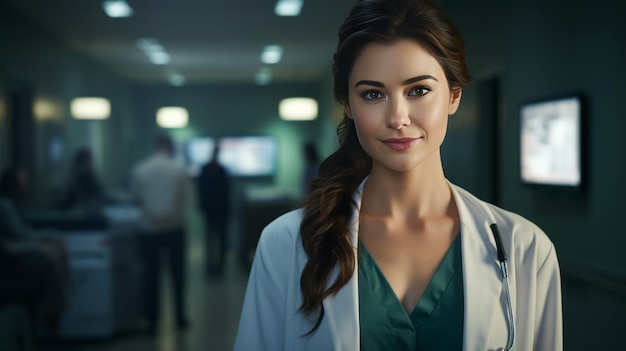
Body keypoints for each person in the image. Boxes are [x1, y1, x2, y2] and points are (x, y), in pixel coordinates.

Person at [234, 0, 563, 350]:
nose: (398, 117)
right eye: (373, 94)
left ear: (453, 96)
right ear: (348, 104)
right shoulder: (286, 245)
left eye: (418, 90)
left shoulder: (524, 248)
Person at [0, 166, 71, 341]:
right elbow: (21, 237)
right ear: (13, 184)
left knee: (54, 255)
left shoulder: (12, 204)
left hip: (18, 253)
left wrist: (51, 237)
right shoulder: (5, 205)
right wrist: (42, 245)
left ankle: (52, 315)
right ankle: (50, 317)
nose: (27, 186)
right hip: (12, 261)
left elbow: (25, 233)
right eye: (22, 181)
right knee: (50, 260)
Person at [131, 135, 192, 333]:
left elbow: (135, 199)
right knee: (178, 275)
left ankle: (152, 321)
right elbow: (188, 199)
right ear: (169, 147)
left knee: (151, 276)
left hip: (149, 229)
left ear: (156, 146)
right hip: (175, 227)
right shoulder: (180, 170)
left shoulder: (140, 169)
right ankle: (180, 317)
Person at [196, 143, 231, 277]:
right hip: (211, 211)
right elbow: (201, 190)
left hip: (221, 211)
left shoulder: (221, 170)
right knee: (210, 239)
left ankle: (220, 267)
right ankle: (210, 266)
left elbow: (226, 192)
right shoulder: (206, 169)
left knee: (221, 240)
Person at [61, 147, 104, 212]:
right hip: (81, 214)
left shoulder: (78, 176)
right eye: (89, 160)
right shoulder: (84, 177)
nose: (92, 162)